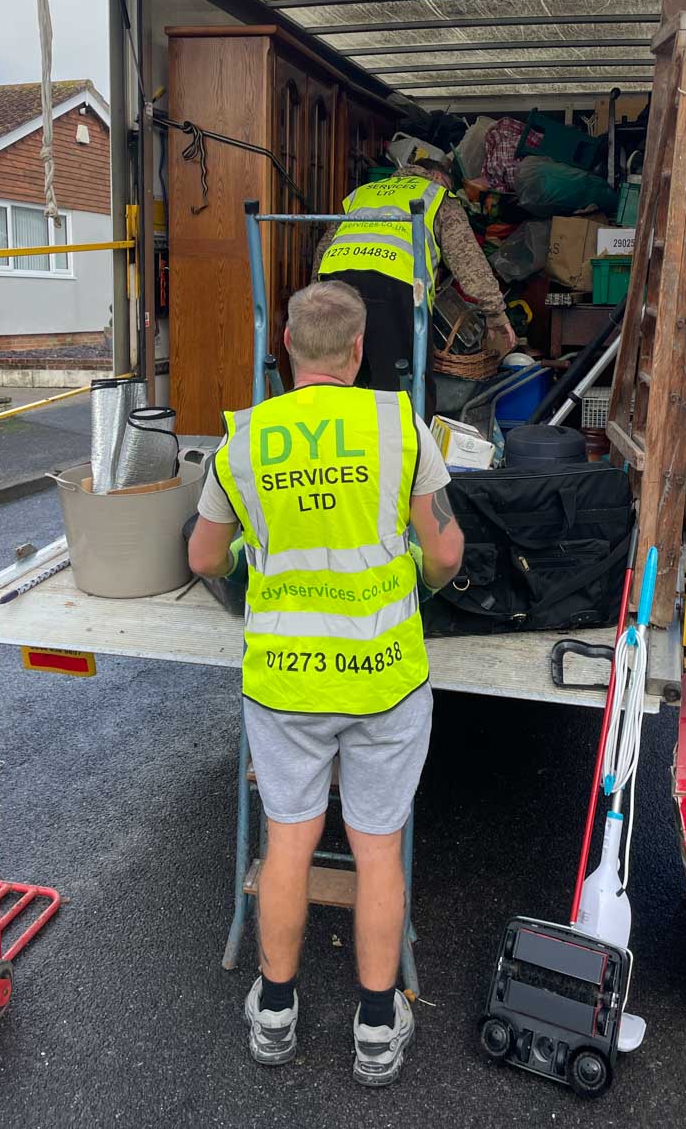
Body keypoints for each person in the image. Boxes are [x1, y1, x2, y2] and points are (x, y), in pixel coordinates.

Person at [188, 280, 464, 1088]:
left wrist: (250, 562)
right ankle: (376, 1027)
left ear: (285, 349)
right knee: (377, 849)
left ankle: (275, 1010)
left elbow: (205, 558)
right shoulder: (399, 428)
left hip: (284, 683)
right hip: (383, 680)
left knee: (288, 842)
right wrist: (419, 579)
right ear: (354, 354)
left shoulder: (242, 439)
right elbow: (444, 555)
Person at [312, 157, 516, 409]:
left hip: (334, 284)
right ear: (439, 177)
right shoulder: (436, 194)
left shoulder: (361, 194)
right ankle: (410, 444)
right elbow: (467, 259)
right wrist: (495, 313)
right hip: (393, 287)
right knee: (403, 386)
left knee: (339, 381)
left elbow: (322, 249)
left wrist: (314, 298)